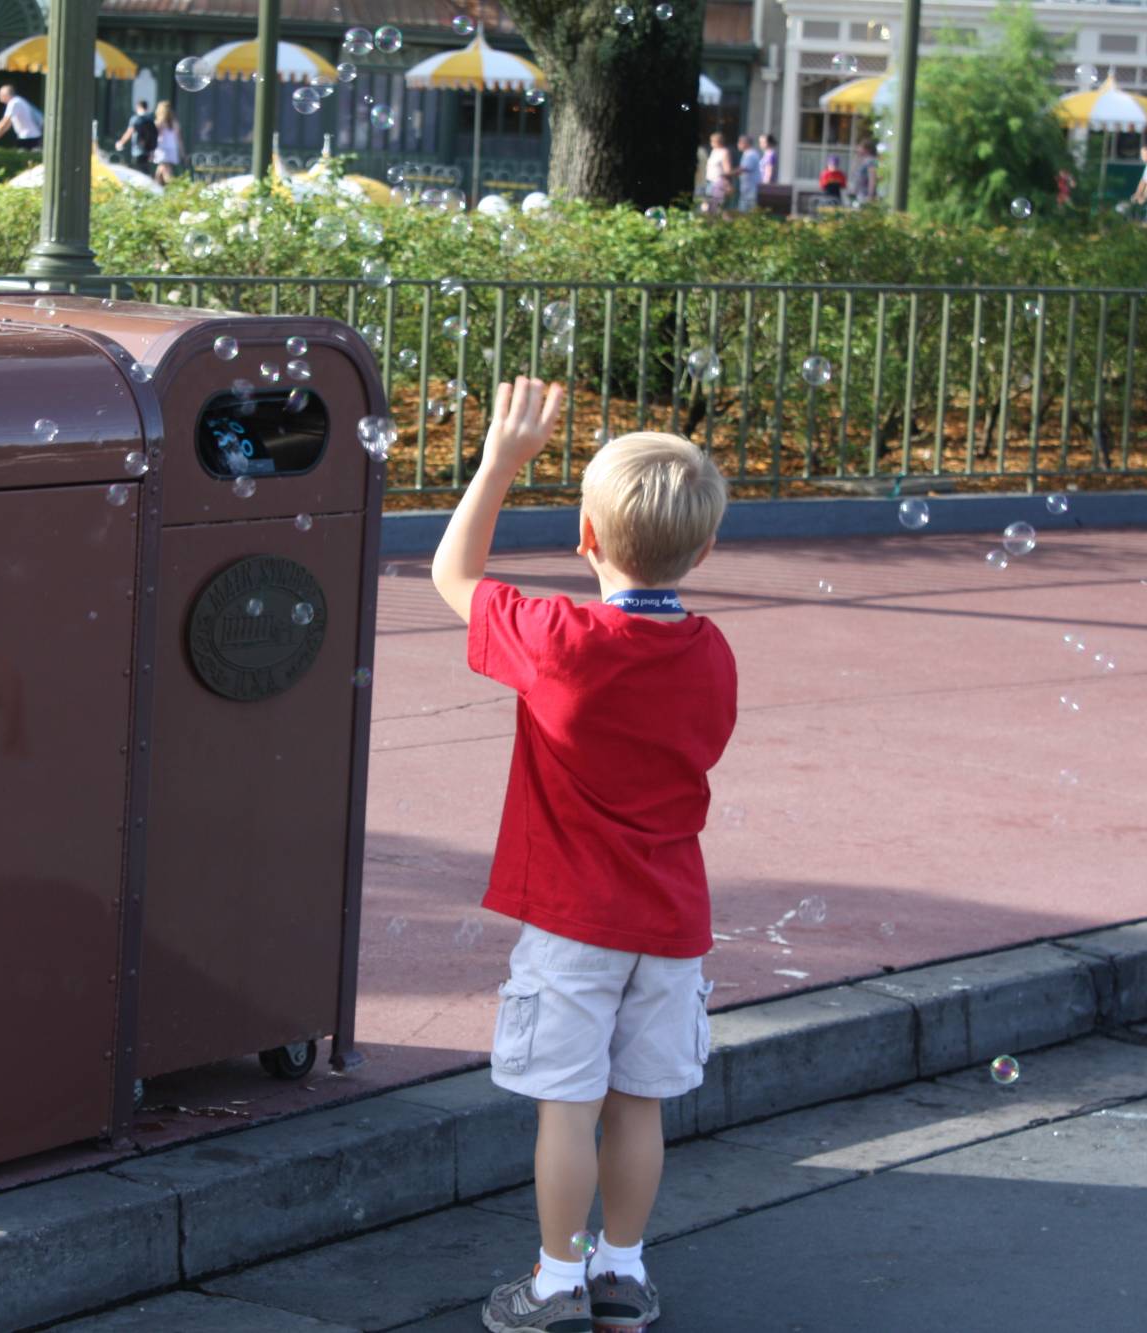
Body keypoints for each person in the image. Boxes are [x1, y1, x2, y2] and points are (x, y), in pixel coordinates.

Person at [427, 378, 735, 1333]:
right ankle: (623, 1275)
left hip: (573, 920)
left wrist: (500, 461)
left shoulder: (557, 637)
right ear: (706, 547)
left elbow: (453, 576)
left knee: (566, 1103)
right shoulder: (712, 650)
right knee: (639, 1103)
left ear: (588, 540)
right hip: (671, 922)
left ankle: (555, 1281)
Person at [0, 84, 43, 150]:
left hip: (29, 138)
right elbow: (7, 125)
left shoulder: (14, 103)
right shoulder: (18, 101)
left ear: (6, 95)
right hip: (28, 137)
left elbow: (5, 121)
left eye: (0, 94)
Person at [114, 98, 158, 165]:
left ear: (138, 107)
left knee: (138, 170)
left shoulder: (136, 119)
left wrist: (121, 142)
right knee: (145, 170)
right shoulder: (150, 119)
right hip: (149, 150)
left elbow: (129, 132)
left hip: (138, 150)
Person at [151, 100, 182, 184]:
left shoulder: (159, 123)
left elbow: (154, 137)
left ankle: (168, 185)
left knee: (164, 167)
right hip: (170, 148)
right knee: (163, 167)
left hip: (163, 148)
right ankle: (157, 185)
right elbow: (179, 139)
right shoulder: (173, 123)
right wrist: (182, 151)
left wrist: (152, 150)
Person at [702, 132, 732, 213]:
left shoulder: (724, 152)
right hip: (709, 181)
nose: (710, 143)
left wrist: (727, 184)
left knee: (715, 206)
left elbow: (727, 170)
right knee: (706, 206)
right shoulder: (714, 151)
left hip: (718, 182)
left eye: (712, 141)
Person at [733, 134, 761, 212]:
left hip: (751, 191)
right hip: (746, 190)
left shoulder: (751, 154)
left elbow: (743, 169)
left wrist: (728, 173)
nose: (738, 144)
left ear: (746, 143)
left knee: (749, 213)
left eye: (740, 142)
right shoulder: (747, 154)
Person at [851, 140, 879, 205]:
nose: (858, 149)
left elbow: (872, 178)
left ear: (867, 150)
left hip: (866, 195)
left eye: (860, 147)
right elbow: (854, 171)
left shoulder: (870, 161)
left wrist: (870, 195)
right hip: (860, 193)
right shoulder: (863, 160)